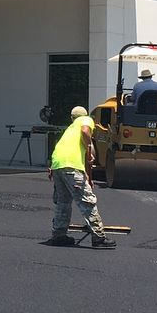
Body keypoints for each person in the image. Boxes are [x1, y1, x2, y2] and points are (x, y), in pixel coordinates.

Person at [48, 105, 115, 249]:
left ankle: (59, 235)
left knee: (63, 202)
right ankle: (98, 237)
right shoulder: (85, 120)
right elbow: (85, 131)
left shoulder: (69, 130)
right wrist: (90, 148)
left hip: (58, 166)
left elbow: (66, 151)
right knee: (87, 201)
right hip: (70, 167)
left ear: (71, 118)